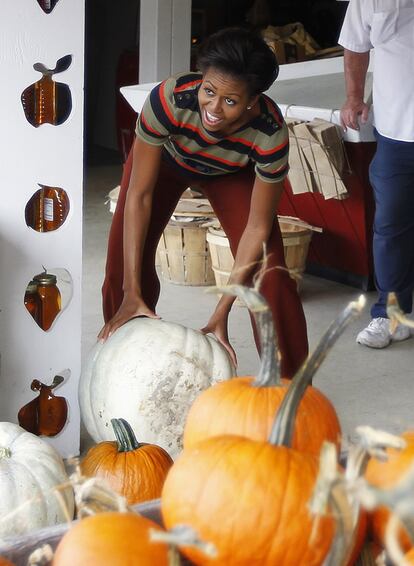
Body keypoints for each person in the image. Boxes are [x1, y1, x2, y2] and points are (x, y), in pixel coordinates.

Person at [99, 27, 308, 377]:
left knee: (272, 275)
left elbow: (257, 226)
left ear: (252, 100)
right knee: (122, 264)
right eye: (208, 92)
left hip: (230, 173)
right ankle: (123, 368)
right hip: (166, 162)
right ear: (201, 78)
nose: (213, 108)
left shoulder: (270, 132)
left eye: (230, 101)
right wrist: (132, 291)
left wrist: (222, 310)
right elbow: (139, 195)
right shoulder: (168, 98)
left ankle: (290, 389)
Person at [339, 0, 414, 349]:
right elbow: (355, 44)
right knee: (391, 227)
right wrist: (354, 97)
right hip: (396, 133)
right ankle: (390, 315)